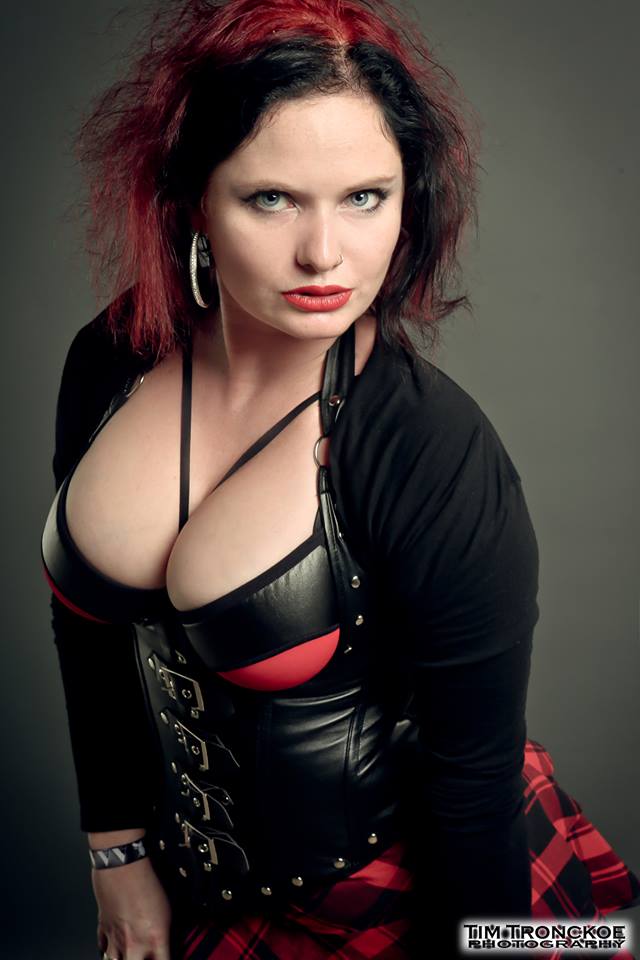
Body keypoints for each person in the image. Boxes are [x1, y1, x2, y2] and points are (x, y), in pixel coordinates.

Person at [41, 1, 640, 958]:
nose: (324, 253)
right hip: (198, 894)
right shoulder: (114, 357)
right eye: (272, 199)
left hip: (423, 897)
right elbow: (88, 634)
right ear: (194, 198)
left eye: (365, 197)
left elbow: (475, 784)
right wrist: (115, 852)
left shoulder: (428, 446)